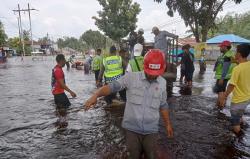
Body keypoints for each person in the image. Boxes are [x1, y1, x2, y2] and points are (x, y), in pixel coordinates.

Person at [84, 49, 173, 158]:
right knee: (133, 156)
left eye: (155, 74)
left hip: (151, 130)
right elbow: (112, 87)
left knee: (151, 156)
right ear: (144, 66)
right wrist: (96, 95)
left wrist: (168, 124)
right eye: (150, 73)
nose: (152, 76)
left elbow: (163, 105)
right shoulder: (131, 78)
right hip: (132, 130)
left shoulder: (162, 83)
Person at [218, 44, 250, 135]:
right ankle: (242, 124)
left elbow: (231, 85)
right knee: (239, 115)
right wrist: (237, 62)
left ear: (239, 54)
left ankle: (239, 138)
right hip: (247, 97)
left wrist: (224, 97)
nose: (234, 54)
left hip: (238, 100)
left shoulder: (237, 69)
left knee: (235, 123)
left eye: (236, 52)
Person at [51, 54, 76, 128]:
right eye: (64, 60)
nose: (65, 62)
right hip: (59, 94)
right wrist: (71, 92)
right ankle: (62, 129)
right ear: (61, 60)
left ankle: (60, 128)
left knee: (62, 112)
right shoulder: (58, 70)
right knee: (65, 110)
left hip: (57, 94)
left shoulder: (56, 68)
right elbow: (62, 84)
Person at [214, 40, 236, 108]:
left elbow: (225, 68)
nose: (220, 48)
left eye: (221, 47)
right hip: (222, 76)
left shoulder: (228, 56)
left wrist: (222, 78)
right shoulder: (225, 55)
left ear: (225, 47)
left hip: (223, 76)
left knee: (221, 91)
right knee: (220, 91)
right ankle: (219, 104)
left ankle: (220, 106)